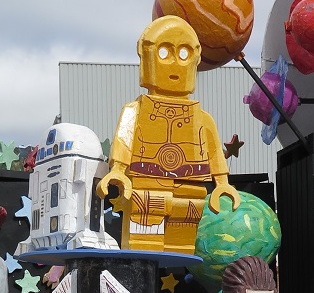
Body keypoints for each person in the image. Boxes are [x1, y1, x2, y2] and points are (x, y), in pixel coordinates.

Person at [97, 15, 240, 253]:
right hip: (146, 181)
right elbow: (124, 140)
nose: (175, 64)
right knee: (145, 233)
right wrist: (118, 170)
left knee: (183, 234)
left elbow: (214, 152)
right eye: (164, 52)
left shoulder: (203, 119)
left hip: (190, 185)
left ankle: (177, 255)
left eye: (184, 54)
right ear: (147, 56)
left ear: (195, 59)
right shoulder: (134, 111)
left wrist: (222, 184)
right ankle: (145, 254)